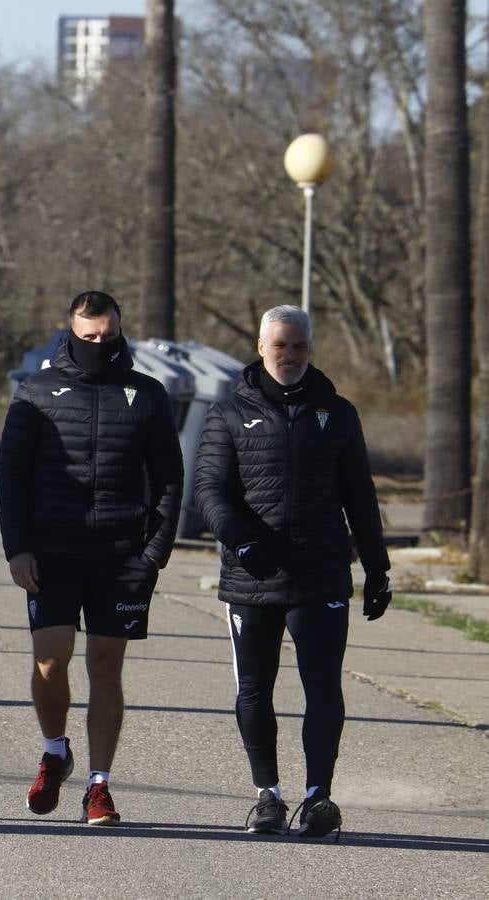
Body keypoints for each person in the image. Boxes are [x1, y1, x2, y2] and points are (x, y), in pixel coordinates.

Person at [194, 304, 389, 839]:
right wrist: (242, 541)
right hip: (251, 575)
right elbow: (209, 490)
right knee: (254, 689)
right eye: (280, 345)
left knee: (322, 686)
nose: (290, 355)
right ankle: (268, 797)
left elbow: (360, 495)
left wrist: (378, 567)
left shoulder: (338, 413)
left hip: (320, 574)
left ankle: (318, 797)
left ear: (310, 348)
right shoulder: (228, 413)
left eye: (299, 345)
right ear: (261, 347)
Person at [0, 290, 183, 826]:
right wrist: (17, 548)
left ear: (120, 331)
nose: (100, 345)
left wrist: (154, 551)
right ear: (71, 333)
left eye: (109, 336)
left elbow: (170, 478)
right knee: (50, 661)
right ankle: (55, 751)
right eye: (89, 337)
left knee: (106, 665)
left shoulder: (147, 394)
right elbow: (10, 476)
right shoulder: (37, 392)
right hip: (52, 551)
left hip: (121, 554)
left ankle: (99, 786)